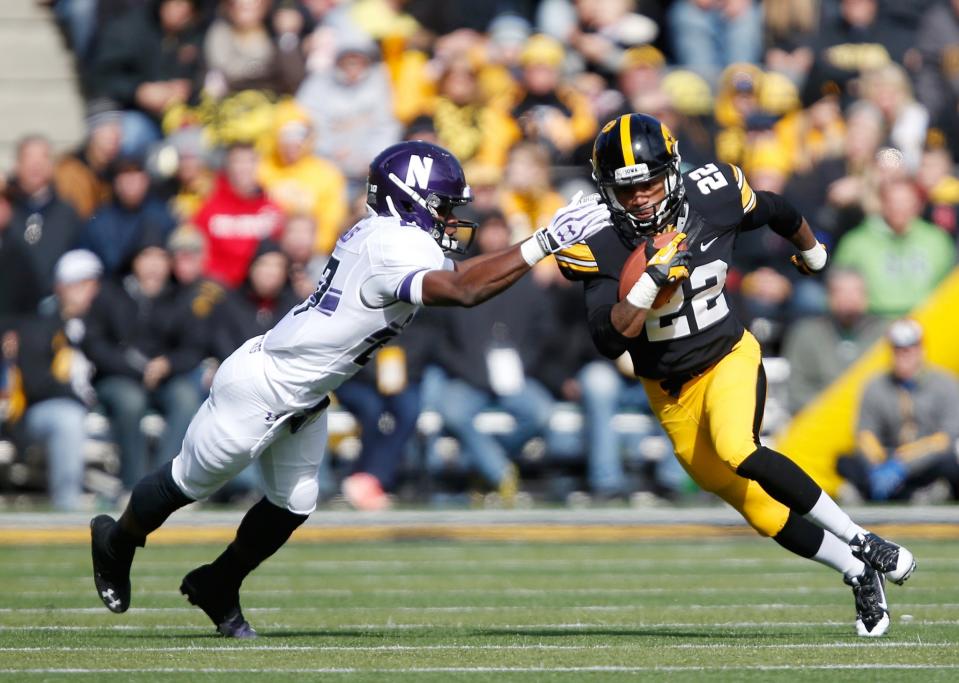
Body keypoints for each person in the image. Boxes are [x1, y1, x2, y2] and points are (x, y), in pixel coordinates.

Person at [89, 140, 612, 638]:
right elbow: (464, 289)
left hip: (304, 392)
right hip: (265, 385)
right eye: (444, 205)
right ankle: (117, 540)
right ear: (413, 201)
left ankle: (218, 583)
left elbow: (468, 277)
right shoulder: (393, 243)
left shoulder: (390, 235)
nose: (453, 218)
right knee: (190, 483)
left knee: (294, 504)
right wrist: (544, 241)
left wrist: (541, 247)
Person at [555, 112, 916, 637]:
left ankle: (862, 538)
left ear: (673, 171)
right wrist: (647, 282)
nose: (640, 199)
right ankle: (856, 570)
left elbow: (776, 208)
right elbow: (609, 339)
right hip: (668, 393)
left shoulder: (713, 194)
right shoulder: (600, 241)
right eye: (626, 189)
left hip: (727, 357)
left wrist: (813, 253)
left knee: (737, 448)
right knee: (759, 511)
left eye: (650, 183)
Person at [16, 250, 102, 510]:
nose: (89, 292)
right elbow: (36, 383)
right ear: (62, 287)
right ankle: (67, 504)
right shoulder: (40, 325)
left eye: (92, 285)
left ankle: (134, 494)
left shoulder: (96, 324)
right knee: (68, 418)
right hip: (42, 411)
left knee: (129, 402)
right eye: (82, 285)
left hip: (93, 407)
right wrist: (77, 397)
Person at [844, 319, 959, 502]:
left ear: (921, 350)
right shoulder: (875, 386)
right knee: (844, 461)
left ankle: (924, 491)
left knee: (950, 463)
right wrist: (878, 462)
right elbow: (865, 432)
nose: (904, 355)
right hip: (888, 455)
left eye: (909, 348)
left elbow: (946, 438)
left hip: (927, 458)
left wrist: (904, 464)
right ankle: (898, 492)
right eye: (898, 349)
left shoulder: (945, 384)